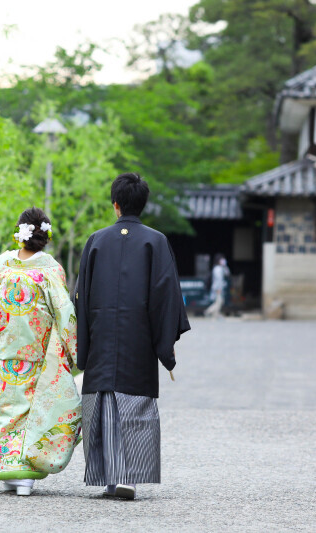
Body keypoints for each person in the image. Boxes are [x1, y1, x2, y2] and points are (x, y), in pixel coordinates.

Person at [75, 172, 190, 500]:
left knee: (105, 405)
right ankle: (129, 477)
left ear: (115, 205)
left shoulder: (96, 241)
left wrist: (83, 348)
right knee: (134, 407)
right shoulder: (157, 241)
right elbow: (167, 297)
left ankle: (112, 479)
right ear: (143, 204)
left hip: (100, 339)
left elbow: (81, 297)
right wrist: (164, 347)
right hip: (139, 340)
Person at [0, 207, 81, 496]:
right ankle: (24, 474)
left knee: (2, 409)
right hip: (36, 351)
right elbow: (64, 312)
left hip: (1, 350)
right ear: (45, 236)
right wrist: (74, 350)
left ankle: (6, 469)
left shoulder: (3, 263)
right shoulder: (50, 269)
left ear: (19, 233)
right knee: (29, 411)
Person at [204, 254, 230, 319]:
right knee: (219, 301)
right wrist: (218, 289)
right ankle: (208, 311)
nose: (223, 261)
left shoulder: (221, 268)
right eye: (222, 260)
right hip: (217, 288)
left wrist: (225, 266)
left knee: (220, 301)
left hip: (219, 288)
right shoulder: (217, 268)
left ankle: (215, 315)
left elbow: (227, 273)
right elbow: (218, 280)